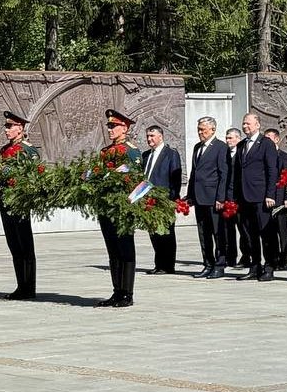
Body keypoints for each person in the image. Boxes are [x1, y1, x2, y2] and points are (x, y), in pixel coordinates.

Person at [96, 110, 140, 307]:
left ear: (125, 128)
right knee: (113, 250)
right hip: (106, 207)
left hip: (123, 206)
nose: (110, 129)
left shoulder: (131, 151)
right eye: (109, 126)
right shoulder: (105, 151)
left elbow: (137, 179)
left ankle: (127, 294)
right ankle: (117, 291)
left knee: (125, 249)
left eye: (114, 126)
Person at [232, 113, 279, 281]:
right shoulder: (241, 145)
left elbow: (272, 170)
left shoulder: (266, 143)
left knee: (266, 234)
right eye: (243, 124)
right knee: (249, 234)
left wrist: (270, 194)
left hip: (261, 196)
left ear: (257, 125)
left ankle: (269, 266)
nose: (245, 127)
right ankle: (255, 266)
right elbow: (237, 172)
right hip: (244, 197)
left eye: (248, 124)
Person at [0, 111, 40, 300]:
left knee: (25, 245)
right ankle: (20, 285)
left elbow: (32, 177)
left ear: (20, 128)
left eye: (10, 126)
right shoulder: (4, 150)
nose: (7, 130)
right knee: (14, 245)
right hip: (5, 202)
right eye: (6, 126)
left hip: (20, 202)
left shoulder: (28, 151)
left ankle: (29, 287)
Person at [185, 117, 228, 279]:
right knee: (204, 233)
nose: (200, 132)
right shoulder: (197, 147)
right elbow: (194, 173)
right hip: (199, 197)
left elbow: (223, 174)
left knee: (218, 233)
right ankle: (207, 263)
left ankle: (220, 264)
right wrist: (190, 195)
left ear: (212, 130)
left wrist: (221, 197)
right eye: (199, 129)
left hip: (213, 198)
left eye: (203, 129)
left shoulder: (220, 147)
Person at [141, 124, 182, 274]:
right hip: (148, 201)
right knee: (153, 233)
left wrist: (172, 199)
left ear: (161, 136)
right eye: (147, 136)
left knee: (166, 233)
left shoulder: (171, 154)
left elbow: (175, 179)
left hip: (165, 200)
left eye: (152, 136)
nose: (149, 139)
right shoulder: (146, 155)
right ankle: (159, 264)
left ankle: (168, 265)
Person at [264, 128, 287, 270]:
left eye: (269, 137)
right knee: (269, 231)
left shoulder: (285, 157)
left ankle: (283, 260)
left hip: (280, 199)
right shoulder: (263, 156)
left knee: (282, 230)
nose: (266, 140)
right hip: (267, 199)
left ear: (277, 139)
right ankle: (272, 259)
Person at [220, 128, 244, 268]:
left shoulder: (241, 153)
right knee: (228, 229)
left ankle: (246, 256)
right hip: (227, 197)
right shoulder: (224, 154)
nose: (228, 140)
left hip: (239, 198)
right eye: (227, 138)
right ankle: (231, 257)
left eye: (231, 138)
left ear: (238, 139)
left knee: (243, 229)